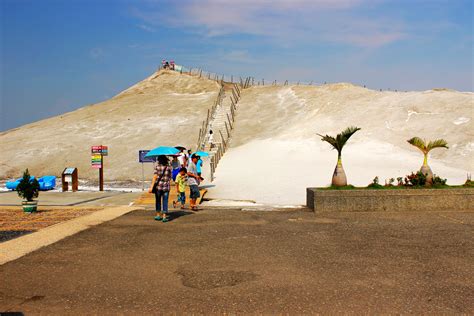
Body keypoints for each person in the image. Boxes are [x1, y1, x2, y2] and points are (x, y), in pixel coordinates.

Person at [148, 155, 172, 222]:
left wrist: (151, 187)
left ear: (159, 160)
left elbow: (155, 177)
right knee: (165, 201)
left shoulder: (157, 167)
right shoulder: (169, 167)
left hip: (158, 187)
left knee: (158, 201)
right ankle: (164, 216)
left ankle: (158, 215)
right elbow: (170, 177)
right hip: (166, 187)